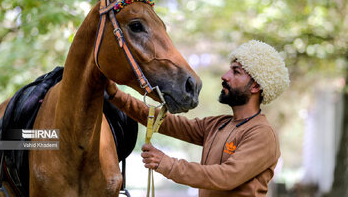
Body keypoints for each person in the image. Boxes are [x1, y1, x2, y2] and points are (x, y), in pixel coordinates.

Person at [107, 40, 290, 197]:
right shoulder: (219, 124)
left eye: (236, 72)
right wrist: (116, 96)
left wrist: (166, 163)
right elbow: (168, 123)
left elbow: (225, 177)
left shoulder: (262, 134)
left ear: (256, 86)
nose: (225, 76)